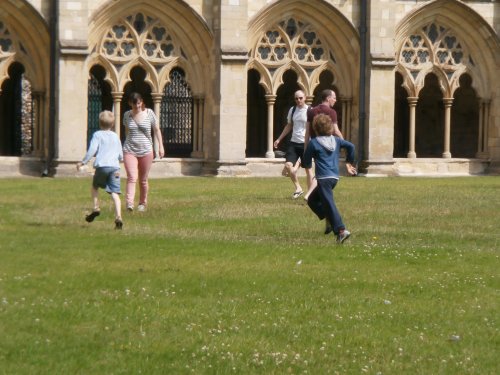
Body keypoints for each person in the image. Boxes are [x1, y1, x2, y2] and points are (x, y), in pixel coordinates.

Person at [302, 114, 357, 243]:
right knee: (312, 200)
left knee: (329, 204)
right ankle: (329, 218)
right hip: (334, 178)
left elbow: (306, 160)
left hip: (323, 179)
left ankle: (341, 231)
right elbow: (351, 147)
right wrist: (349, 162)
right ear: (330, 127)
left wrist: (308, 165)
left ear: (315, 128)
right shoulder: (337, 141)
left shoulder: (314, 143)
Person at [77, 110, 124, 229]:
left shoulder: (97, 135)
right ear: (112, 124)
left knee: (95, 186)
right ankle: (118, 216)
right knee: (115, 192)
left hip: (102, 166)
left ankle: (96, 207)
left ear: (100, 123)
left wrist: (83, 162)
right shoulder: (115, 136)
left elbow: (92, 150)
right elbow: (120, 155)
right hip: (115, 167)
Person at [122, 92, 165, 212]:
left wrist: (160, 147)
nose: (138, 107)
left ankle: (142, 203)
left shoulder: (149, 113)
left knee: (143, 179)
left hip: (146, 151)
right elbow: (126, 131)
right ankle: (129, 204)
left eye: (139, 103)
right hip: (129, 150)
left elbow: (156, 130)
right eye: (135, 105)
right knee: (131, 177)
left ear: (141, 102)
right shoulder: (127, 115)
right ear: (130, 103)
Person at [304, 89, 344, 200]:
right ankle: (310, 195)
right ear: (328, 98)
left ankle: (314, 195)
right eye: (334, 97)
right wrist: (343, 142)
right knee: (326, 173)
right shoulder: (331, 112)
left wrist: (306, 147)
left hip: (315, 145)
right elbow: (335, 131)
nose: (335, 100)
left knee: (320, 171)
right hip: (328, 146)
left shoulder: (311, 111)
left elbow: (307, 132)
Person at [273, 90, 309, 199]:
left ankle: (311, 194)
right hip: (294, 142)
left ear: (305, 98)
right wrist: (279, 139)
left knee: (308, 170)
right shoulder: (292, 110)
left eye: (301, 98)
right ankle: (298, 188)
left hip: (305, 143)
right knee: (288, 166)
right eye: (296, 98)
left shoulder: (309, 111)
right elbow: (289, 125)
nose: (298, 100)